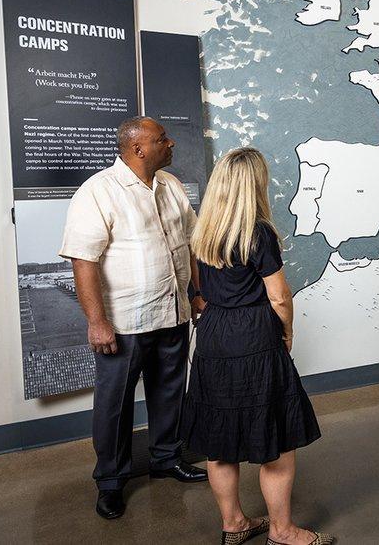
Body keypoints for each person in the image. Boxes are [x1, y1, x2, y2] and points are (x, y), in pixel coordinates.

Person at [179, 147, 331, 545]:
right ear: (255, 185)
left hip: (213, 335)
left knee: (219, 443)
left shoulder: (204, 230)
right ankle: (282, 531)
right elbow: (278, 296)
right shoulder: (258, 233)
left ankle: (234, 525)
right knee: (277, 443)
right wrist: (288, 331)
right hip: (254, 336)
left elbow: (199, 285)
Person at [59, 117, 208, 520]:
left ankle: (166, 458)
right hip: (124, 324)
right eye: (162, 139)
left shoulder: (170, 186)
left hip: (172, 312)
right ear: (138, 149)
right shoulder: (98, 191)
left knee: (170, 392)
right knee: (114, 405)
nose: (171, 143)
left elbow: (191, 244)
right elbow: (83, 260)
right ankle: (110, 482)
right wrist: (97, 322)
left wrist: (198, 292)